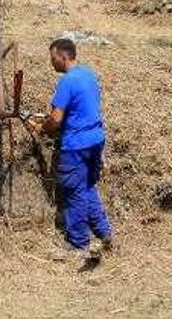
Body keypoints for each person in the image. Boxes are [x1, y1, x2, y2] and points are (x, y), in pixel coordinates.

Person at [29, 39, 113, 263]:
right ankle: (104, 233)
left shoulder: (67, 81)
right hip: (96, 139)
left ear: (63, 57)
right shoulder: (89, 75)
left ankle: (78, 243)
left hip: (76, 145)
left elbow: (56, 119)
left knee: (73, 191)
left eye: (52, 57)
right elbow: (82, 108)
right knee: (87, 187)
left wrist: (40, 128)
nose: (51, 62)